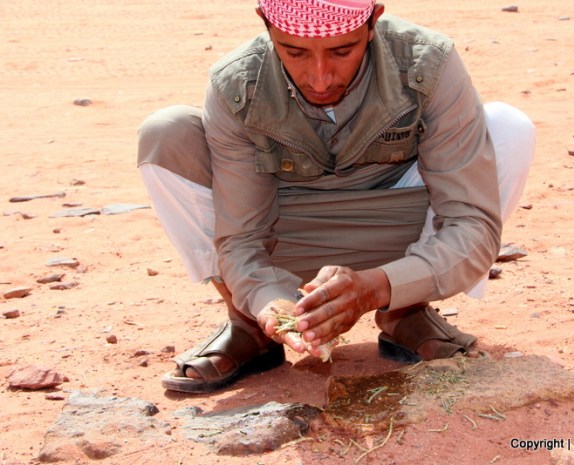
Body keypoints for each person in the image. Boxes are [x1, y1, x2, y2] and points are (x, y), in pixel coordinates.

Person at [137, 0, 535, 393]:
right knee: (166, 134)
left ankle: (405, 311)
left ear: (372, 22)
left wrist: (379, 287)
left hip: (396, 223)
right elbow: (241, 238)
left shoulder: (427, 64)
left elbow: (472, 225)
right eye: (294, 52)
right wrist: (268, 302)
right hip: (288, 231)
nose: (321, 78)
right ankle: (248, 323)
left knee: (506, 127)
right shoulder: (237, 84)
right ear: (266, 24)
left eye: (342, 51)